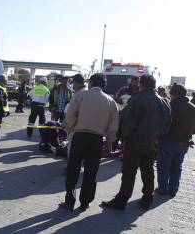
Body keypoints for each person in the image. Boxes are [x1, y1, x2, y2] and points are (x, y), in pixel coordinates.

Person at [102, 75, 171, 211]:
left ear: (142, 84)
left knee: (129, 172)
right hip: (152, 143)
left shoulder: (138, 99)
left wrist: (123, 138)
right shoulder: (164, 101)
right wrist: (156, 137)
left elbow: (128, 122)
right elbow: (168, 123)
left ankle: (121, 200)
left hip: (135, 142)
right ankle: (147, 198)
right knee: (148, 171)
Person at [60, 73, 119, 212]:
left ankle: (69, 201)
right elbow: (113, 126)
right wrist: (109, 143)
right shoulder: (111, 102)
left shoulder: (80, 95)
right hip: (97, 140)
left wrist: (70, 127)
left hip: (79, 137)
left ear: (91, 83)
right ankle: (85, 202)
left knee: (73, 169)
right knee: (91, 172)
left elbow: (70, 115)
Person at [156, 84, 195, 197]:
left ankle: (163, 188)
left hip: (167, 141)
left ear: (174, 94)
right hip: (184, 143)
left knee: (164, 166)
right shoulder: (192, 107)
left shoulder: (168, 105)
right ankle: (173, 190)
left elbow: (161, 124)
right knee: (177, 167)